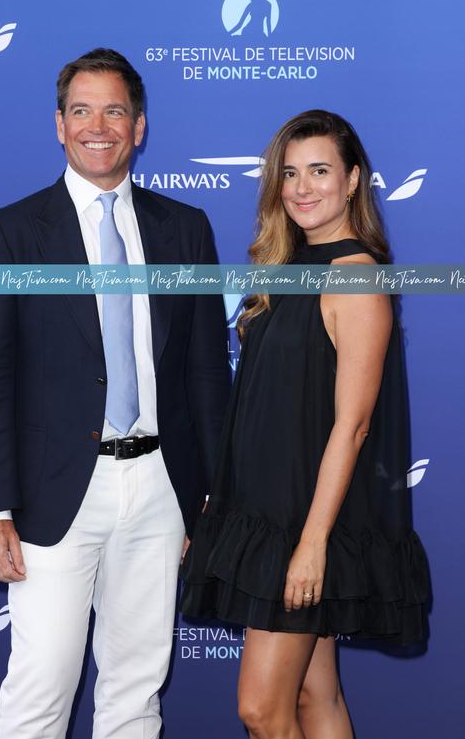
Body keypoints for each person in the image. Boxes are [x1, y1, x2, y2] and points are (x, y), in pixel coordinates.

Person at [0, 47, 230, 739]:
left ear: (138, 126)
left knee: (136, 687)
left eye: (115, 110)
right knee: (40, 686)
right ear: (59, 125)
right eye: (81, 110)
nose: (98, 125)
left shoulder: (185, 228)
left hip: (161, 488)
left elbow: (205, 368)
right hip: (51, 495)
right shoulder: (12, 232)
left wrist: (212, 493)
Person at [180, 110, 430, 738]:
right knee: (317, 701)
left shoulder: (356, 279)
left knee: (260, 710)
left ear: (352, 181)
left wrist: (312, 544)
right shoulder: (286, 268)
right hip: (266, 509)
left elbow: (352, 425)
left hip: (305, 522)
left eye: (319, 170)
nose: (301, 187)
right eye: (289, 173)